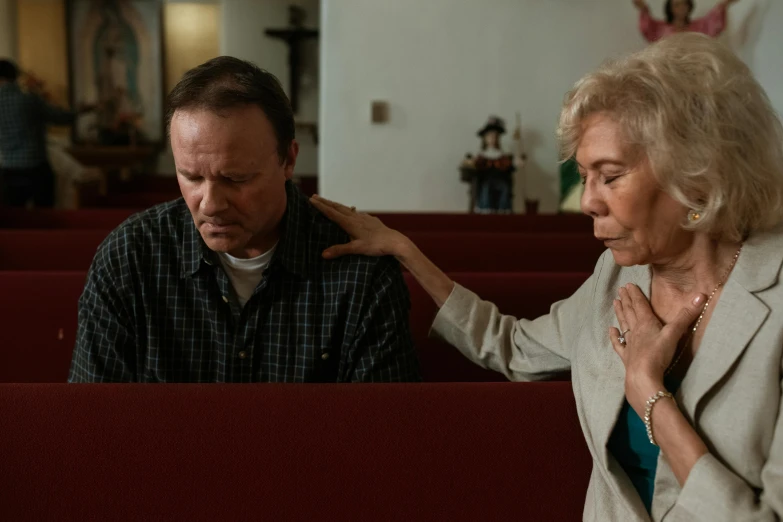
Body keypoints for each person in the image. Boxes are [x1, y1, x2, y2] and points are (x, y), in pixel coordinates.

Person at [310, 34, 783, 520]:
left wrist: (650, 393)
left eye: (610, 175)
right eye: (584, 176)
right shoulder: (617, 278)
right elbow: (512, 346)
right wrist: (405, 251)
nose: (587, 202)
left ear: (698, 173)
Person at [69, 56, 420, 383]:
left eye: (235, 179)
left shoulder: (362, 273)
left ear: (288, 160)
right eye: (191, 177)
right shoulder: (129, 257)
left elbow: (380, 434)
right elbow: (93, 424)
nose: (210, 205)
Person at [0, 60, 83, 207]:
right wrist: (80, 111)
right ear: (14, 77)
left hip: (9, 169)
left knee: (15, 219)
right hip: (35, 168)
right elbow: (61, 118)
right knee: (44, 216)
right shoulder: (29, 100)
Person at [632, 0, 741, 43]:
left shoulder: (699, 26)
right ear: (670, 8)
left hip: (695, 68)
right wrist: (643, 9)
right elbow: (648, 27)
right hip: (668, 70)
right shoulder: (661, 28)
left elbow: (712, 23)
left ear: (689, 6)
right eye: (677, 5)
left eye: (684, 3)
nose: (682, 8)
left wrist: (724, 4)